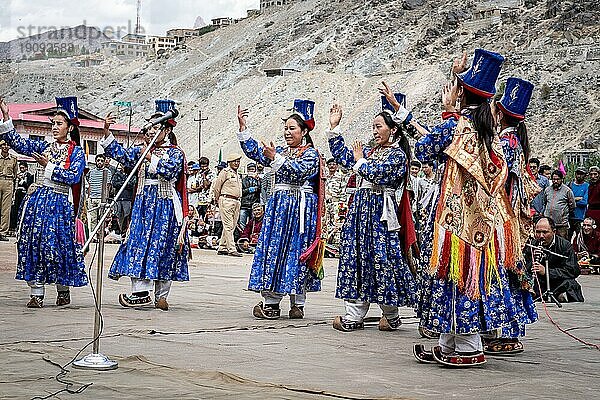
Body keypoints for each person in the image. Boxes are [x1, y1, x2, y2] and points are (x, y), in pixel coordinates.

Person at [411, 49, 521, 367]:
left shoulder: (455, 127)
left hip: (457, 222)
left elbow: (424, 149)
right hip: (480, 222)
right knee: (460, 279)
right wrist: (455, 77)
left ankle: (469, 346)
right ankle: (448, 343)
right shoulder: (488, 132)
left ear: (460, 94)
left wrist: (446, 114)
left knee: (458, 279)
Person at [328, 92, 417, 332]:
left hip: (379, 214)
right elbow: (347, 159)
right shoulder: (370, 152)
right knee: (357, 257)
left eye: (378, 126)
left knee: (382, 259)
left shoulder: (398, 156)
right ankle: (354, 315)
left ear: (394, 130)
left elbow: (377, 174)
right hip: (360, 213)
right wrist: (335, 129)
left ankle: (391, 312)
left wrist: (359, 161)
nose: (374, 131)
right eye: (373, 127)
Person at [237, 99, 323, 320]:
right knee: (275, 248)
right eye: (285, 128)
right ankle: (271, 301)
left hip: (299, 209)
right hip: (279, 207)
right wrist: (243, 128)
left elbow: (299, 171)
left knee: (296, 250)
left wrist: (275, 157)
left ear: (304, 131)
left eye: (291, 128)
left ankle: (298, 303)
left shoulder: (312, 154)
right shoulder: (282, 151)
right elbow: (258, 152)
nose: (286, 132)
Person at [100, 100, 190, 311]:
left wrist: (150, 157)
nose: (150, 131)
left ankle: (162, 295)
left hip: (164, 206)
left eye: (156, 126)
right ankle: (140, 291)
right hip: (142, 205)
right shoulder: (140, 150)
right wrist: (107, 133)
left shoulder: (176, 153)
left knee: (162, 247)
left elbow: (169, 171)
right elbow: (121, 155)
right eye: (149, 126)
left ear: (167, 129)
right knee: (138, 243)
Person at [0, 96, 87, 307]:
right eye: (53, 124)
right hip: (38, 202)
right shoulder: (44, 146)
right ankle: (36, 293)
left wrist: (49, 166)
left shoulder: (77, 152)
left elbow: (72, 177)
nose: (55, 128)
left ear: (70, 127)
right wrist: (6, 116)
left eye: (59, 124)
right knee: (33, 243)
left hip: (60, 204)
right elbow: (19, 144)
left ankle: (63, 289)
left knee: (57, 245)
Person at [484, 76, 540, 355]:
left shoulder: (504, 144)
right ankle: (506, 329)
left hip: (500, 218)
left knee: (501, 273)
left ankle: (505, 331)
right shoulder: (515, 142)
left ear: (500, 113)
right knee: (508, 271)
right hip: (510, 219)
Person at [527, 217, 583, 302]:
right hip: (539, 283)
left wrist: (547, 271)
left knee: (570, 284)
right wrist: (532, 259)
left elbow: (573, 270)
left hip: (556, 282)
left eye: (545, 232)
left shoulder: (565, 246)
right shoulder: (531, 245)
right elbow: (523, 269)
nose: (541, 236)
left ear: (554, 232)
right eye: (538, 232)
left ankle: (560, 296)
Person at [213, 153, 243, 257]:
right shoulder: (225, 172)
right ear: (229, 162)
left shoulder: (237, 174)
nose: (236, 163)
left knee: (232, 225)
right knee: (228, 225)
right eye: (234, 161)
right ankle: (232, 248)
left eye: (238, 161)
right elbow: (217, 187)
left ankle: (222, 246)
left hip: (236, 201)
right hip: (226, 199)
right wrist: (217, 199)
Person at [543, 170, 576, 239]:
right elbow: (545, 203)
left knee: (561, 243)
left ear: (562, 179)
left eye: (557, 179)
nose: (555, 181)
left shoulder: (567, 191)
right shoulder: (547, 190)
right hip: (549, 224)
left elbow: (572, 206)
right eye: (554, 179)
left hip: (561, 224)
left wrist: (563, 213)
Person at [86, 153, 113, 232]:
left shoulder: (108, 172)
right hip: (92, 198)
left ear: (104, 162)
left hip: (102, 198)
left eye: (102, 161)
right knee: (93, 219)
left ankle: (100, 235)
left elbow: (108, 186)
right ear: (95, 161)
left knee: (102, 219)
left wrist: (106, 198)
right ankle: (93, 235)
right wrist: (89, 197)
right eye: (98, 160)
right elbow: (89, 184)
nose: (100, 162)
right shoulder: (91, 172)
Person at [110, 164, 136, 237]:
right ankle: (117, 232)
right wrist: (125, 183)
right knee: (117, 215)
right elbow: (114, 183)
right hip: (118, 198)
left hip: (127, 198)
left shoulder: (132, 174)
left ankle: (124, 233)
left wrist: (122, 183)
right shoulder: (117, 174)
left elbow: (131, 184)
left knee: (127, 216)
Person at [0, 139, 17, 240]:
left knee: (6, 209)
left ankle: (2, 232)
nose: (6, 147)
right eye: (3, 145)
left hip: (8, 182)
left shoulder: (14, 159)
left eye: (7, 145)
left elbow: (15, 174)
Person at [10, 161, 33, 234]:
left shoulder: (29, 176)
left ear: (26, 168)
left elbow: (29, 186)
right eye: (20, 168)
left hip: (24, 194)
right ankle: (12, 227)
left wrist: (23, 181)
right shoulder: (18, 175)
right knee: (14, 210)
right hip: (17, 194)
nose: (21, 169)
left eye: (23, 168)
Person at [568, 167, 589, 238]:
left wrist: (572, 200)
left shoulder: (587, 186)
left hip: (580, 217)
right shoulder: (570, 185)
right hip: (569, 217)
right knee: (567, 238)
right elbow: (566, 200)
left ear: (585, 175)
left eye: (581, 174)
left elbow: (584, 202)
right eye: (578, 173)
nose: (579, 176)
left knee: (580, 238)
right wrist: (577, 198)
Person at [240, 163, 261, 230]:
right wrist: (249, 190)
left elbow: (262, 189)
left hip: (254, 204)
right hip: (244, 205)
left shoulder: (258, 180)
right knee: (242, 222)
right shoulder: (243, 180)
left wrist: (258, 181)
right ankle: (242, 237)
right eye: (249, 169)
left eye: (252, 169)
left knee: (253, 223)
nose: (251, 171)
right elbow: (240, 192)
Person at [585, 166, 600, 232]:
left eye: (595, 174)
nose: (593, 176)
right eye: (591, 174)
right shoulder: (590, 185)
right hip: (590, 212)